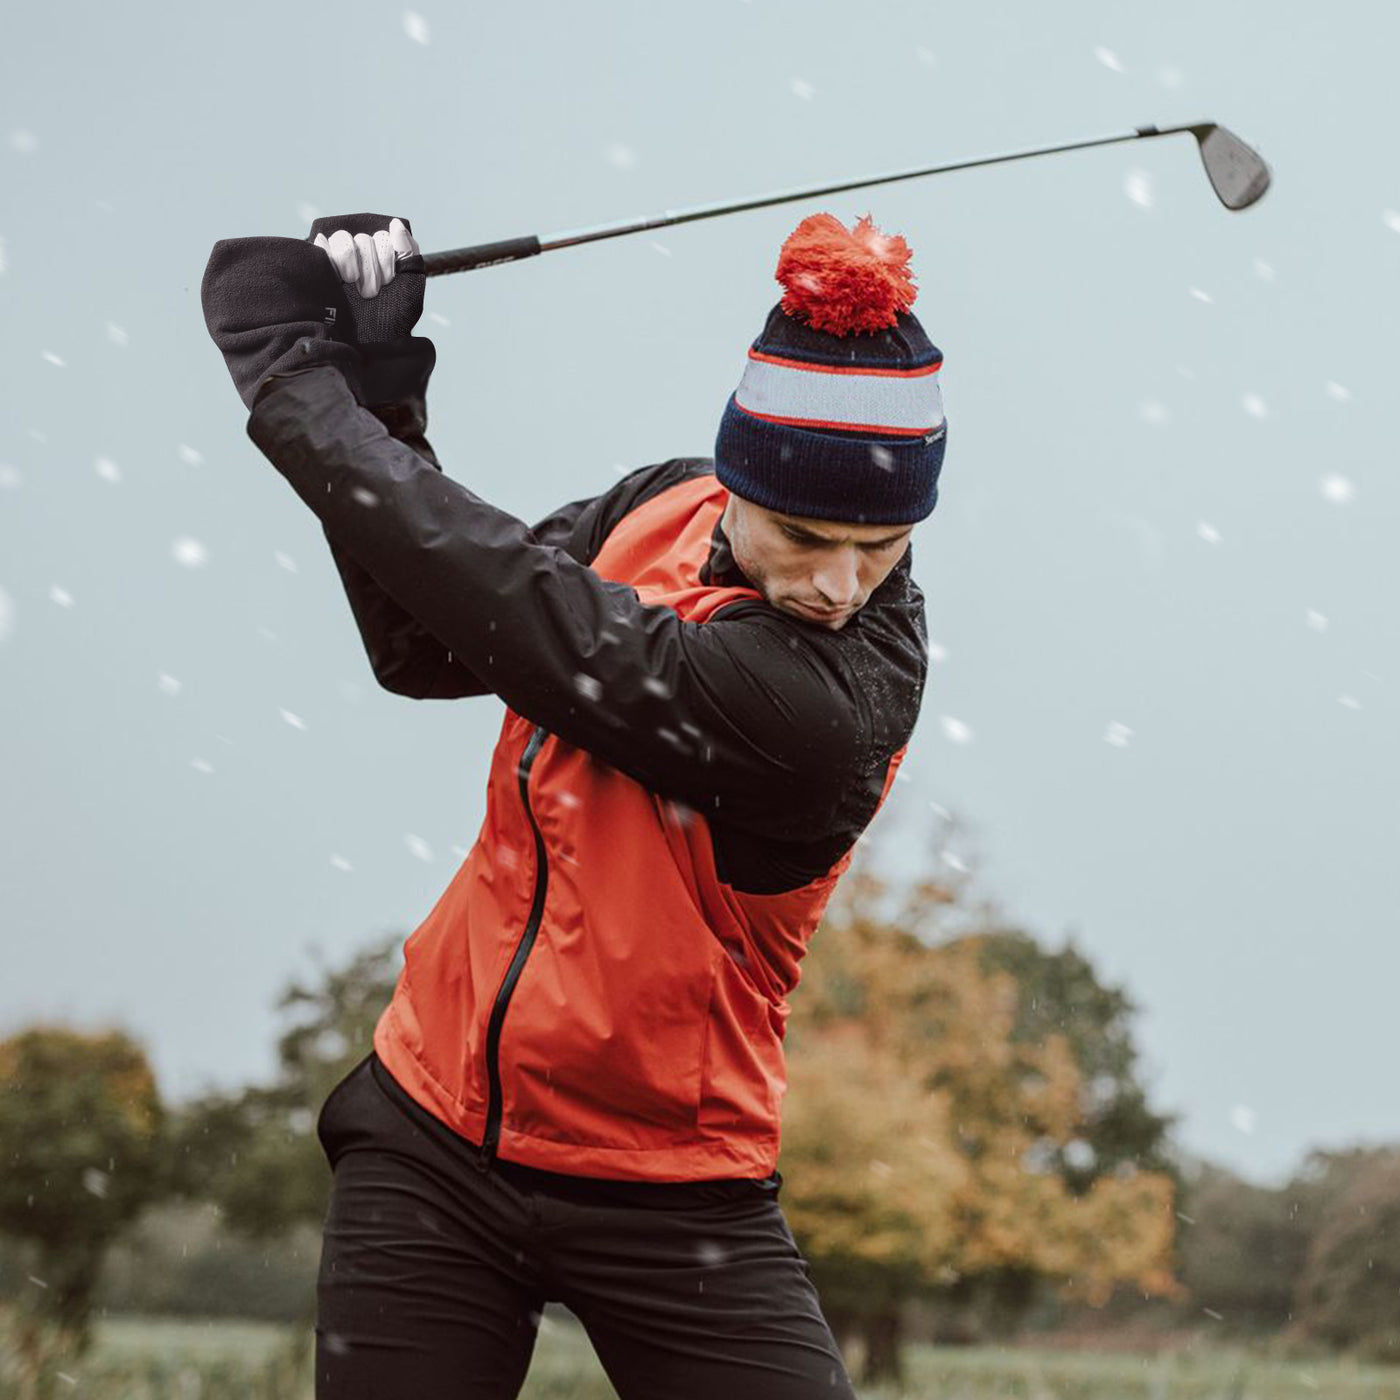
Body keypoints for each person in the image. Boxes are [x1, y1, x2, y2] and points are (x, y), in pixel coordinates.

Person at [201, 207, 946, 1399]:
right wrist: (385, 394)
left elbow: (518, 609)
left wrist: (298, 386)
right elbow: (426, 636)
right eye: (806, 537)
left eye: (883, 545)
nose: (839, 583)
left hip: (671, 1186)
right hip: (433, 1127)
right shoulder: (661, 506)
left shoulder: (827, 702)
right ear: (735, 481)